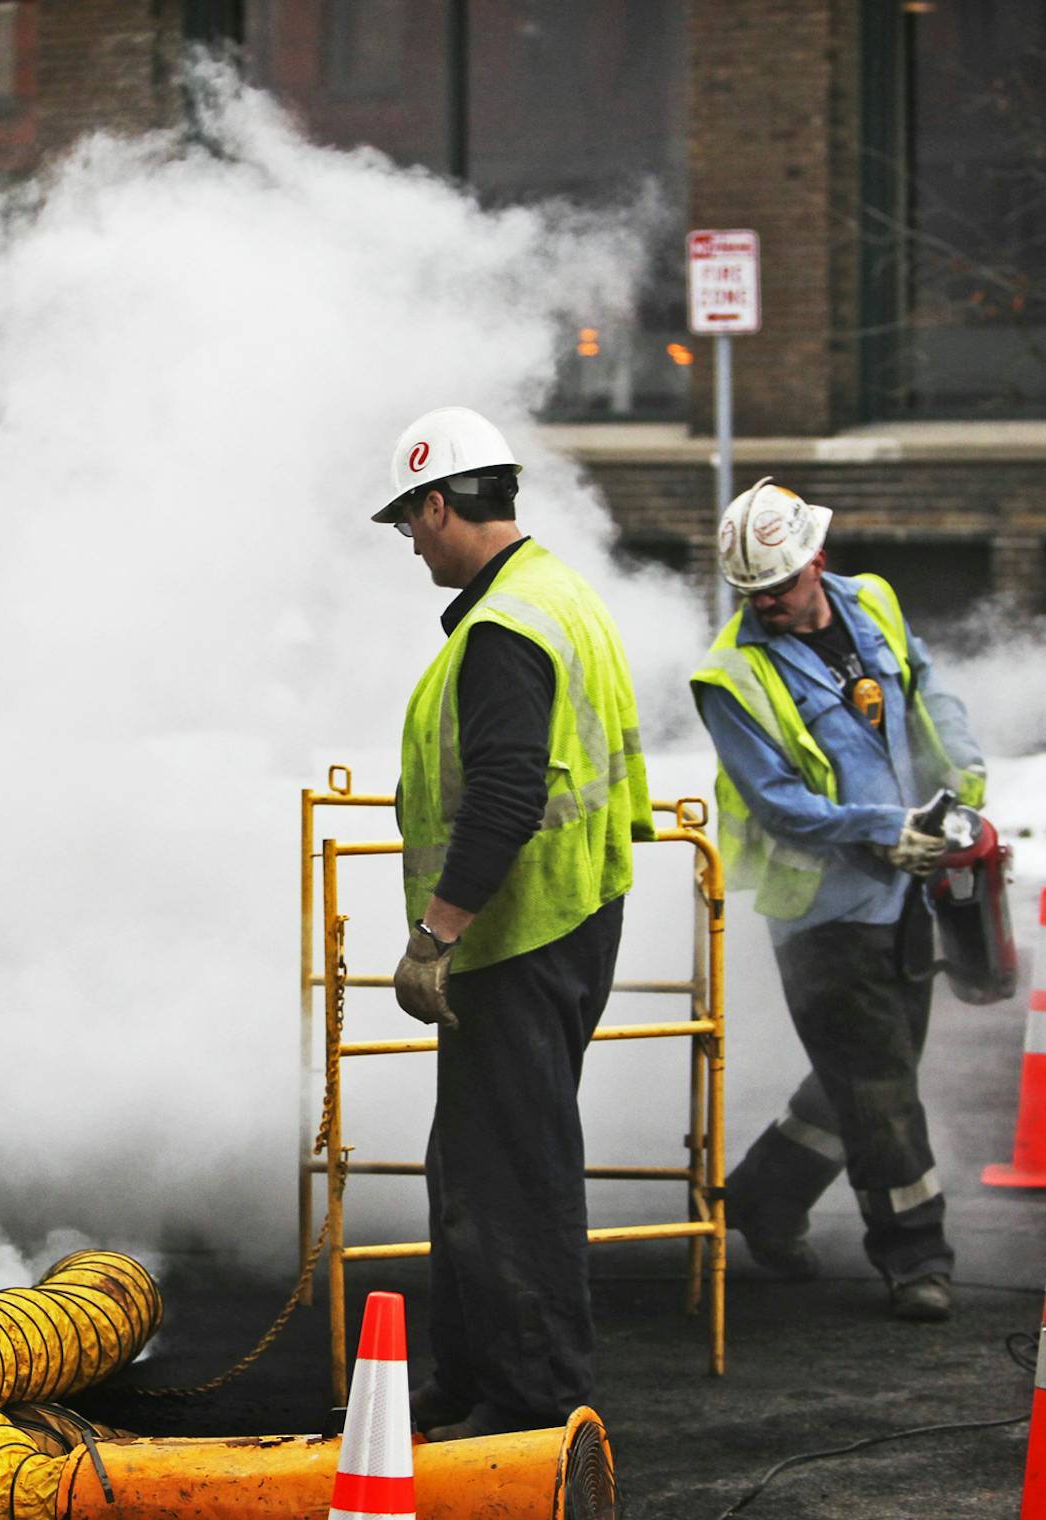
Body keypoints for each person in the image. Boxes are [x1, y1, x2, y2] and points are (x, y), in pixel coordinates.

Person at [374, 405, 653, 1438]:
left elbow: (504, 796)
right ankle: (472, 1375)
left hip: (518, 935)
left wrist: (434, 936)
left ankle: (534, 1404)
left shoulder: (503, 630)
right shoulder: (554, 593)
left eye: (410, 522)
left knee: (511, 1176)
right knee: (472, 1164)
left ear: (438, 506)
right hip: (567, 918)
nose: (411, 544)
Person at [689, 477, 987, 1323]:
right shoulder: (731, 676)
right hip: (822, 914)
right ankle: (915, 1255)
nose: (765, 604)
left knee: (861, 1077)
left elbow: (928, 692)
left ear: (816, 560)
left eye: (778, 586)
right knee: (881, 1082)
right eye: (749, 592)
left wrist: (963, 778)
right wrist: (889, 828)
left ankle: (764, 1197)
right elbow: (781, 804)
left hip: (905, 893)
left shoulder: (873, 604)